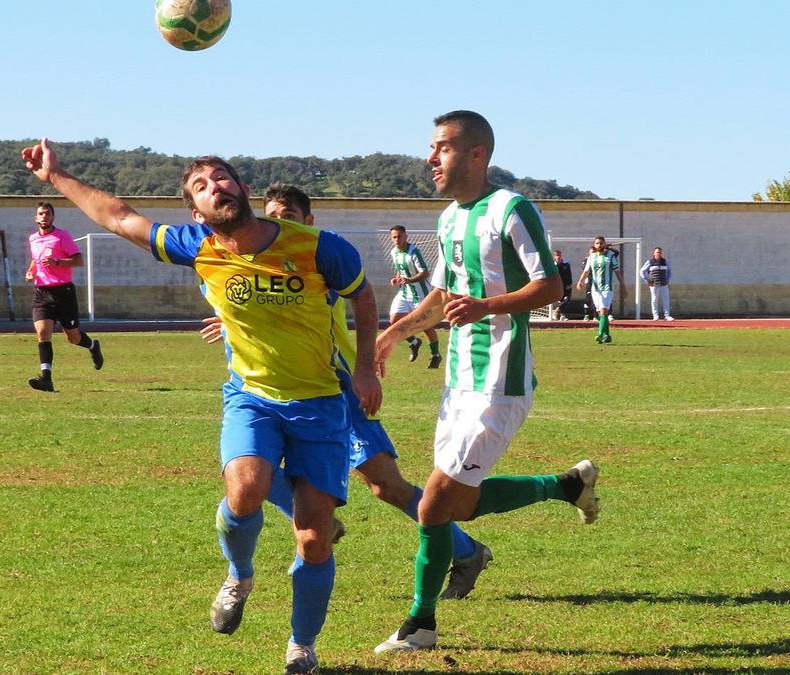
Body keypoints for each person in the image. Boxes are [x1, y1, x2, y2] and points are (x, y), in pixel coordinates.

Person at [22, 138, 381, 675]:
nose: (216, 188)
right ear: (197, 212)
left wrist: (365, 368)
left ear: (244, 189)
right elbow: (120, 218)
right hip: (252, 396)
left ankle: (301, 647)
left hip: (320, 403)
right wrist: (57, 178)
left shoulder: (318, 246)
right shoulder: (197, 245)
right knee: (245, 486)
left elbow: (364, 296)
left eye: (222, 178)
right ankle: (239, 574)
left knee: (313, 538)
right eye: (202, 186)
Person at [371, 111, 599, 654]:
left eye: (443, 148)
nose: (431, 159)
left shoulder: (512, 209)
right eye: (432, 148)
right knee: (461, 507)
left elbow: (551, 286)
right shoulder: (449, 219)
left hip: (501, 382)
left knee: (432, 506)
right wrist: (392, 332)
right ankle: (567, 485)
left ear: (476, 155)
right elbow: (443, 295)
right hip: (458, 383)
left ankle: (419, 625)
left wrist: (487, 306)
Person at [201, 184, 492, 601]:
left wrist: (365, 371)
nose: (277, 225)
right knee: (250, 471)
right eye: (270, 216)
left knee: (386, 486)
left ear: (309, 222)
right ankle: (317, 520)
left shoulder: (319, 261)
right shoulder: (250, 261)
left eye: (288, 216)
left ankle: (468, 550)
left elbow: (306, 304)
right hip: (281, 395)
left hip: (338, 392)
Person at [23, 201, 103, 392]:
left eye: (48, 213)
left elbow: (79, 260)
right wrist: (30, 272)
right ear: (36, 218)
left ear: (53, 217)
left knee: (73, 338)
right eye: (41, 214)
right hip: (41, 292)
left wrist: (57, 262)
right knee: (43, 333)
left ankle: (93, 346)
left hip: (63, 292)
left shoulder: (62, 236)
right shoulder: (33, 239)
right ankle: (46, 379)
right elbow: (35, 261)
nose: (44, 216)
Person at [389, 225, 442, 368]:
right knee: (394, 319)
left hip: (420, 294)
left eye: (399, 236)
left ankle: (436, 354)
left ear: (406, 236)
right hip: (405, 293)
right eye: (394, 237)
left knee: (426, 325)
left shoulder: (414, 251)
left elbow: (425, 272)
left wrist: (410, 280)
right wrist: (397, 278)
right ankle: (414, 342)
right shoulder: (394, 252)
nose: (397, 239)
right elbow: (400, 271)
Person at [576, 235, 625, 344]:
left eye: (601, 243)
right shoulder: (591, 257)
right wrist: (580, 281)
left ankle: (600, 334)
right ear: (594, 245)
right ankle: (607, 335)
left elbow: (617, 272)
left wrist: (623, 285)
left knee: (603, 311)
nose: (599, 245)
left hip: (607, 288)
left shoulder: (611, 256)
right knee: (601, 313)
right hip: (595, 289)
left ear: (604, 244)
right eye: (597, 243)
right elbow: (586, 271)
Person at [639, 246, 674, 321]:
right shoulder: (650, 262)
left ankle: (667, 316)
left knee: (666, 299)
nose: (659, 254)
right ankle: (655, 316)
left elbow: (669, 271)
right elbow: (642, 271)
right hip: (654, 284)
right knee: (654, 299)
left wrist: (668, 279)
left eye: (660, 252)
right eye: (657, 252)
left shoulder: (665, 261)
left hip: (664, 284)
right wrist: (647, 280)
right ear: (654, 253)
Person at [550, 249, 573, 321]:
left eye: (559, 255)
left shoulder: (566, 264)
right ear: (554, 257)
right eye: (557, 256)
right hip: (557, 285)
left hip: (566, 285)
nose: (558, 257)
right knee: (561, 300)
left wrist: (569, 283)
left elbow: (569, 275)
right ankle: (562, 315)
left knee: (567, 299)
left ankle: (557, 311)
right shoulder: (553, 265)